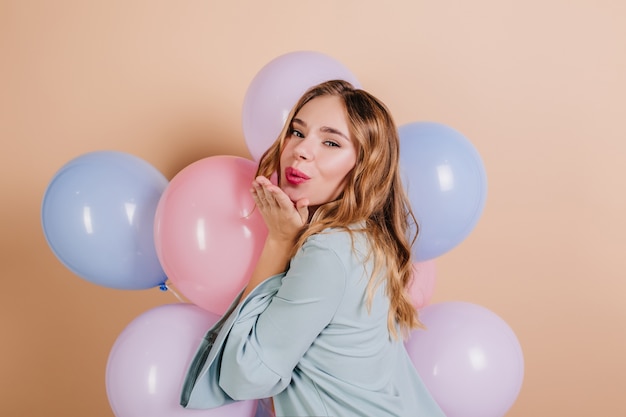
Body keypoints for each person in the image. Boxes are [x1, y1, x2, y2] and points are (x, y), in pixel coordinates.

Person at [180, 80, 445, 417]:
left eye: (331, 142)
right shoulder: (366, 238)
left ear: (365, 165)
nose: (301, 150)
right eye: (297, 132)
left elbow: (243, 377)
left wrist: (279, 242)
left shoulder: (328, 251)